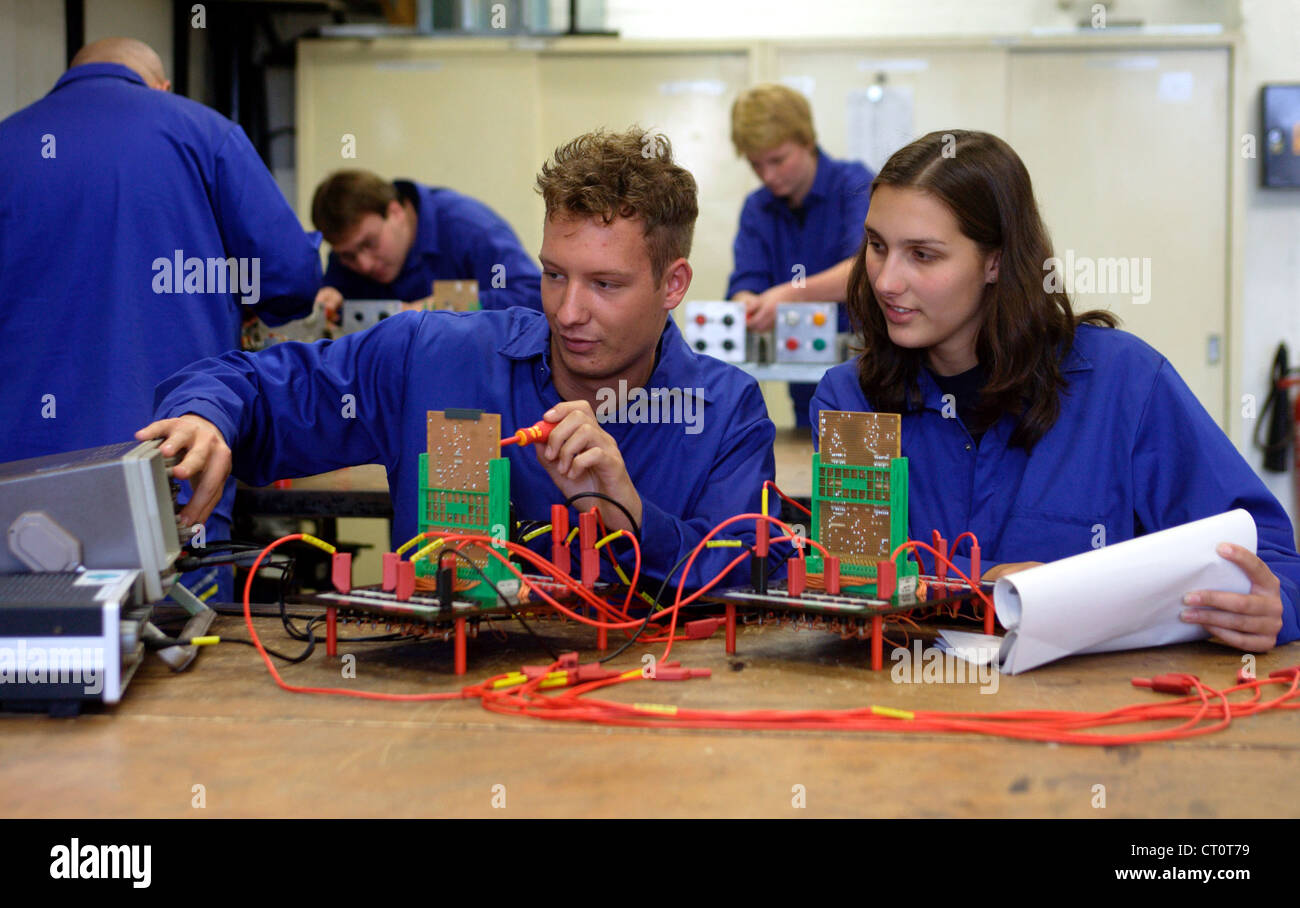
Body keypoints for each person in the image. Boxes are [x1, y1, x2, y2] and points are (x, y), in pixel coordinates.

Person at [137, 128, 776, 588]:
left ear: (673, 284)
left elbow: (747, 573)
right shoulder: (432, 360)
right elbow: (258, 388)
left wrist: (628, 518)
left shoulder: (725, 414)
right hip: (433, 727)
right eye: (554, 275)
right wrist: (208, 416)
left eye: (605, 285)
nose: (569, 311)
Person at [811, 129, 1299, 652]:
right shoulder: (852, 400)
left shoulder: (1124, 383)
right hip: (904, 713)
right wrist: (977, 592)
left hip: (1088, 718)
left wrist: (1275, 605)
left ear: (996, 261)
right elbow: (853, 590)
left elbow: (1266, 555)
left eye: (923, 255)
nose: (885, 280)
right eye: (877, 247)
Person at [0, 37, 323, 601]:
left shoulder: (9, 142)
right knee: (177, 653)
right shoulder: (203, 133)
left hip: (17, 487)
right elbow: (291, 279)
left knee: (39, 661)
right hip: (165, 464)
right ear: (162, 86)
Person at [726, 83, 874, 428]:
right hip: (806, 388)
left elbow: (865, 269)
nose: (768, 175)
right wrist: (748, 304)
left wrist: (791, 295)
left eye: (778, 160)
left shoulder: (856, 185)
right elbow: (747, 279)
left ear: (807, 140)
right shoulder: (757, 208)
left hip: (866, 379)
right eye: (756, 164)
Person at [311, 170, 543, 319]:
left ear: (395, 212)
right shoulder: (348, 251)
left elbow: (529, 294)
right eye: (348, 256)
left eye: (370, 244)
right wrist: (329, 303)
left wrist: (436, 305)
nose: (365, 264)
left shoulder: (470, 229)